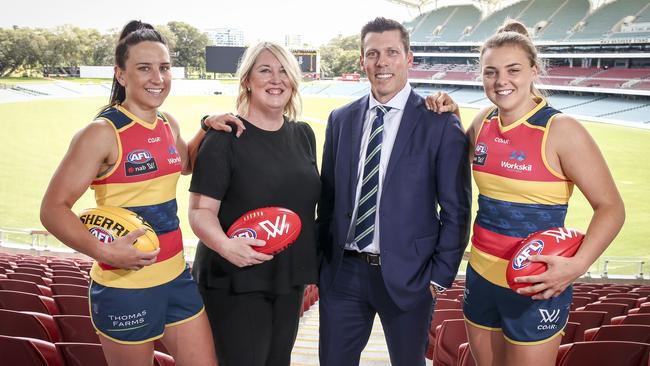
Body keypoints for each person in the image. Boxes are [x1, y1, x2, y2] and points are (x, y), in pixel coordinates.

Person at [425, 20, 625, 366]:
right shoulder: (484, 120)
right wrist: (451, 113)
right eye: (491, 72)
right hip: (481, 276)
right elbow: (459, 158)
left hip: (536, 284)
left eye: (513, 70)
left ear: (534, 70)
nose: (501, 81)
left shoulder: (561, 130)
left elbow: (611, 208)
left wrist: (577, 265)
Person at [40, 20, 225, 366]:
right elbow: (53, 208)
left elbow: (183, 163)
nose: (158, 78)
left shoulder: (168, 123)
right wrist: (102, 249)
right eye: (144, 68)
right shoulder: (101, 133)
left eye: (164, 68)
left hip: (176, 277)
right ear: (121, 75)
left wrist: (205, 127)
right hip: (125, 287)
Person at [316, 17, 472, 366]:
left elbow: (457, 209)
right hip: (344, 273)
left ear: (408, 58)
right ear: (362, 61)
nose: (381, 62)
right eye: (372, 53)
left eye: (391, 52)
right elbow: (327, 201)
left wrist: (438, 278)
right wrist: (322, 264)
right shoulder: (340, 120)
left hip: (410, 276)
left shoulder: (439, 122)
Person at [187, 41, 321, 366]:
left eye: (283, 71)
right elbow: (200, 212)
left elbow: (305, 207)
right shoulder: (224, 137)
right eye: (265, 70)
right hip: (235, 279)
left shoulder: (303, 135)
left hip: (287, 280)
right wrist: (226, 246)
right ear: (247, 79)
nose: (276, 79)